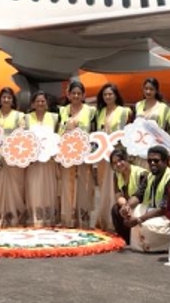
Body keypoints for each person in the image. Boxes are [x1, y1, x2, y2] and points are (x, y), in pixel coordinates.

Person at [125, 145, 170, 252]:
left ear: (166, 161)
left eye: (156, 161)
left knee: (149, 225)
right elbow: (138, 195)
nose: (152, 163)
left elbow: (163, 208)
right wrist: (127, 206)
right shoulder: (150, 176)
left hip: (168, 215)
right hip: (153, 211)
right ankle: (146, 243)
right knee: (134, 212)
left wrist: (140, 219)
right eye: (150, 161)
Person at [59, 81, 97, 228]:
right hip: (67, 154)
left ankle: (83, 220)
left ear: (83, 95)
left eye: (79, 93)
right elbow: (59, 131)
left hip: (84, 155)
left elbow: (94, 132)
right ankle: (68, 220)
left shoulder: (90, 111)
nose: (76, 96)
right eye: (73, 93)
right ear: (68, 95)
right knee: (67, 186)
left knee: (84, 186)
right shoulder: (62, 111)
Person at [95, 83, 132, 231]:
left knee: (117, 186)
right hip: (103, 156)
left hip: (118, 156)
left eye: (110, 94)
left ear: (116, 95)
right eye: (105, 95)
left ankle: (117, 221)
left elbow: (129, 132)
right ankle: (104, 220)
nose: (108, 97)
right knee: (104, 187)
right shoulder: (99, 112)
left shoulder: (125, 111)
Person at [0, 87, 27, 228]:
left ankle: (15, 219)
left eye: (9, 98)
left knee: (16, 190)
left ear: (13, 100)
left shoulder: (19, 116)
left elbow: (22, 137)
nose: (6, 100)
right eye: (4, 97)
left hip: (13, 160)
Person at [24, 91, 60, 227]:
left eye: (43, 101)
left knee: (49, 189)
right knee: (33, 189)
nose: (40, 104)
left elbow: (58, 137)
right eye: (37, 101)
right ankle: (34, 220)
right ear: (33, 104)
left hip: (49, 162)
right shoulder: (26, 118)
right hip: (33, 162)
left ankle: (48, 220)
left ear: (47, 104)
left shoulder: (55, 118)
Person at [110, 148, 149, 244]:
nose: (118, 164)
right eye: (114, 163)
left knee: (130, 211)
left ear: (126, 159)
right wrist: (125, 206)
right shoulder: (116, 174)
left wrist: (128, 206)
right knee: (115, 209)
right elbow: (118, 194)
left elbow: (140, 195)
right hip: (129, 203)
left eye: (120, 160)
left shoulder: (141, 173)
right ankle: (125, 239)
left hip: (142, 204)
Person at [132, 78, 169, 167]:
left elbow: (164, 128)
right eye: (146, 89)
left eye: (151, 89)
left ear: (156, 90)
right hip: (140, 143)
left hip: (154, 143)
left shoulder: (163, 107)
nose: (148, 91)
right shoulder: (138, 105)